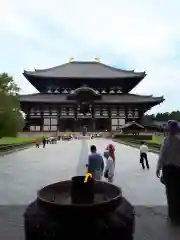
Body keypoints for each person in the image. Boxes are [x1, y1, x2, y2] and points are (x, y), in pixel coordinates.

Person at [156, 120, 180, 225]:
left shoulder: (167, 140)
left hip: (169, 170)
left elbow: (162, 156)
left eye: (169, 129)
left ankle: (173, 216)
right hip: (178, 170)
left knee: (170, 193)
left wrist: (158, 168)